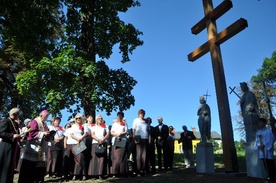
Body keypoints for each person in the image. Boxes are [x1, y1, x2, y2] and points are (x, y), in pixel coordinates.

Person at [18, 110, 51, 183]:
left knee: (38, 166)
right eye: (46, 116)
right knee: (29, 166)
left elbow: (46, 132)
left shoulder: (44, 124)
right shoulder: (35, 121)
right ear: (41, 115)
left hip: (41, 147)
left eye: (47, 116)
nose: (46, 118)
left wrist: (49, 134)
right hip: (33, 146)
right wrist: (43, 134)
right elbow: (32, 133)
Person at [0, 108, 21, 183]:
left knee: (10, 166)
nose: (19, 116)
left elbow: (17, 134)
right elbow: (1, 133)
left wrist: (20, 136)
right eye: (18, 114)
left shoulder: (15, 123)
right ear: (14, 114)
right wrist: (12, 136)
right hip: (6, 146)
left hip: (13, 147)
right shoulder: (6, 121)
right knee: (5, 165)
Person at [254, 117, 276, 183]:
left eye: (261, 122)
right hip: (262, 150)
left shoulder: (268, 131)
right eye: (259, 122)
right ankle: (269, 177)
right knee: (265, 164)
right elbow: (257, 141)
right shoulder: (258, 132)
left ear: (264, 123)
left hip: (267, 150)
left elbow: (271, 139)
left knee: (270, 164)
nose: (260, 124)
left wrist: (264, 145)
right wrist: (258, 146)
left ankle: (274, 178)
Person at [88, 115, 110, 180]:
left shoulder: (105, 126)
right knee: (94, 158)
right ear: (96, 120)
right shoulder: (94, 127)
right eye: (99, 118)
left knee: (102, 159)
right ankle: (94, 174)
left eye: (101, 118)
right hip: (95, 143)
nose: (100, 120)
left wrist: (103, 139)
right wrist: (98, 139)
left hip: (103, 143)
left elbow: (108, 133)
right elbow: (92, 134)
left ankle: (101, 174)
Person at [67, 114, 88, 181]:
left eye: (79, 118)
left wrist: (80, 139)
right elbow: (71, 134)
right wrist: (77, 139)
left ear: (82, 119)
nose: (78, 119)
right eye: (76, 118)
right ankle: (77, 175)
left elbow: (86, 133)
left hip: (81, 143)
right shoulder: (73, 126)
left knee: (81, 158)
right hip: (74, 143)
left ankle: (81, 174)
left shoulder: (84, 126)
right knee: (77, 159)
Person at [110, 112, 128, 177]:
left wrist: (121, 134)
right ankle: (115, 172)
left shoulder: (124, 124)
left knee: (122, 157)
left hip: (122, 141)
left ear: (123, 117)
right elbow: (111, 132)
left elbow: (126, 131)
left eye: (121, 116)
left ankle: (122, 172)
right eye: (118, 116)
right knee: (116, 157)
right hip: (115, 141)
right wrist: (117, 135)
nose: (119, 117)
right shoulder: (114, 124)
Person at [132, 109, 150, 176]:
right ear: (139, 114)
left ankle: (144, 170)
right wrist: (134, 138)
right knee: (138, 156)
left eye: (143, 113)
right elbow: (133, 130)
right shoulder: (136, 120)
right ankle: (138, 170)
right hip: (138, 138)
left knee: (144, 156)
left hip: (145, 138)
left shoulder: (146, 121)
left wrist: (149, 139)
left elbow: (148, 131)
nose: (142, 114)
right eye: (141, 113)